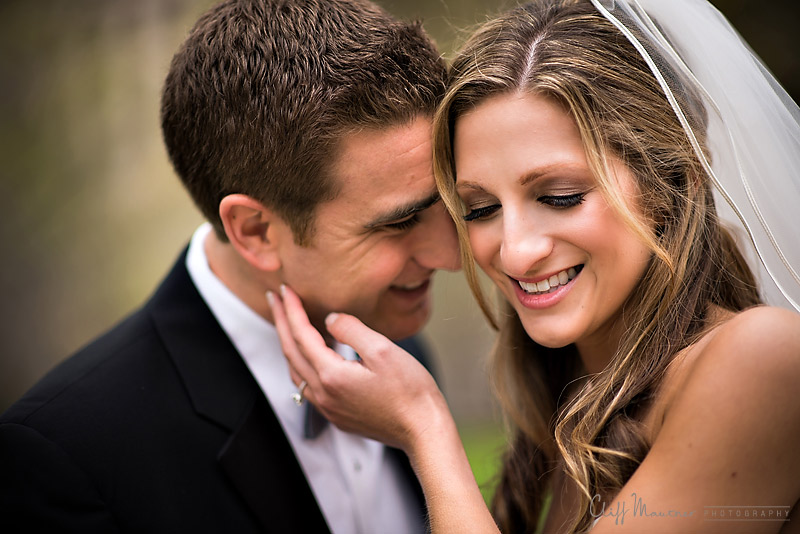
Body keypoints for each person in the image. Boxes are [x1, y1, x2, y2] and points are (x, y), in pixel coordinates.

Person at [270, 0, 800, 532]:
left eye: (561, 196)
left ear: (666, 185)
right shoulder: (572, 403)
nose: (515, 252)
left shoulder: (765, 358)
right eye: (480, 209)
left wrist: (423, 426)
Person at [0, 0, 459, 532]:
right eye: (399, 223)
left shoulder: (401, 355)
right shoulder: (66, 456)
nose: (449, 255)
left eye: (445, 202)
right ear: (255, 231)